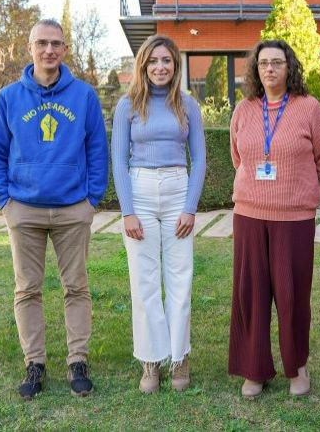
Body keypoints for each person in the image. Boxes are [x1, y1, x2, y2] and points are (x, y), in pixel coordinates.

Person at [0, 18, 108, 400]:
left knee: (76, 287)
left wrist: (92, 200)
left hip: (73, 209)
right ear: (30, 48)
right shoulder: (8, 98)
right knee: (27, 289)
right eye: (42, 43)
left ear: (65, 49)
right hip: (24, 209)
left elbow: (97, 149)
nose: (49, 50)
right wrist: (5, 201)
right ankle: (34, 363)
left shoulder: (84, 96)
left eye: (55, 43)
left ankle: (77, 361)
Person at [228, 39, 320, 399]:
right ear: (256, 70)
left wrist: (304, 191)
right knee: (251, 294)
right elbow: (238, 157)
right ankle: (254, 369)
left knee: (292, 296)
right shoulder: (244, 110)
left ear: (289, 67)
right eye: (263, 64)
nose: (270, 69)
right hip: (249, 215)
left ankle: (297, 367)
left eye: (277, 62)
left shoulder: (308, 108)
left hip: (294, 219)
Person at [111, 35, 206, 394]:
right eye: (153, 61)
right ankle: (151, 360)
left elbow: (198, 160)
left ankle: (179, 357)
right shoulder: (127, 106)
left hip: (178, 189)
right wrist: (128, 212)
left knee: (180, 279)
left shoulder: (188, 106)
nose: (160, 67)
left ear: (175, 65)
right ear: (143, 65)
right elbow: (119, 160)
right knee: (144, 281)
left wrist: (190, 208)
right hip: (141, 191)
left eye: (166, 60)